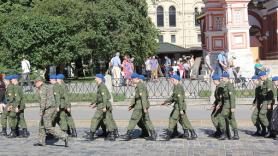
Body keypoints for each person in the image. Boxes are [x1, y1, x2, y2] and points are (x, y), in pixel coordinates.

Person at [33, 76, 69, 147]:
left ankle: (64, 136)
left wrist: (41, 110)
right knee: (42, 125)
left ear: (39, 82)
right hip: (53, 108)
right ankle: (41, 141)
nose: (35, 85)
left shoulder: (42, 89)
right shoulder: (48, 87)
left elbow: (43, 101)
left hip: (48, 109)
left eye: (35, 83)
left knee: (48, 127)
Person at [161, 75, 197, 141]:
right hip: (178, 105)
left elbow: (180, 99)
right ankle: (190, 133)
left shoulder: (179, 87)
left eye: (173, 80)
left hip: (179, 106)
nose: (172, 81)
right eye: (171, 79)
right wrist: (166, 102)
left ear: (177, 80)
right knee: (183, 120)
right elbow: (173, 97)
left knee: (172, 119)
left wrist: (180, 109)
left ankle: (169, 135)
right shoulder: (176, 87)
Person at [122, 73, 157, 141]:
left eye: (132, 79)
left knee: (134, 119)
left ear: (136, 78)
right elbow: (136, 97)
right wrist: (132, 105)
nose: (131, 80)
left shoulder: (140, 86)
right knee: (143, 121)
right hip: (140, 105)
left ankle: (127, 135)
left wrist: (144, 107)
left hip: (140, 106)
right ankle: (148, 133)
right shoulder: (139, 85)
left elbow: (143, 97)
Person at [87, 74, 115, 141]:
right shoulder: (100, 86)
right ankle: (111, 134)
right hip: (103, 104)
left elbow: (104, 97)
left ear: (99, 78)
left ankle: (91, 134)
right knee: (106, 120)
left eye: (96, 78)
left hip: (102, 105)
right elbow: (99, 97)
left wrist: (104, 106)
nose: (95, 79)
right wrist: (94, 103)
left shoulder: (102, 86)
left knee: (95, 119)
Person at [218, 72, 239, 140]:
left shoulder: (229, 85)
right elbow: (223, 97)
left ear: (226, 78)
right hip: (226, 103)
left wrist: (232, 107)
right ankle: (236, 134)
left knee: (221, 117)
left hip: (228, 104)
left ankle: (224, 133)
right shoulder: (225, 85)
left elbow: (232, 97)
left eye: (222, 77)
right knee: (231, 118)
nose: (221, 79)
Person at [258, 72, 275, 138]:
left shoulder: (268, 82)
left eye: (260, 77)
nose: (260, 78)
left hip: (268, 100)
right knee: (268, 116)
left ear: (264, 76)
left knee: (261, 114)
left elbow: (270, 93)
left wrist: (269, 103)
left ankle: (270, 129)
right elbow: (264, 93)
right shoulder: (265, 82)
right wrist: (262, 102)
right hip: (265, 100)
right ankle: (270, 131)